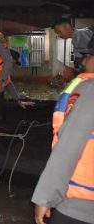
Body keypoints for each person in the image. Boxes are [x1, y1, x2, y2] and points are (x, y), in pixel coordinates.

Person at [32, 49, 94, 224]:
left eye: (88, 56)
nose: (83, 62)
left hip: (81, 204)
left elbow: (68, 147)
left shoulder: (89, 89)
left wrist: (45, 197)